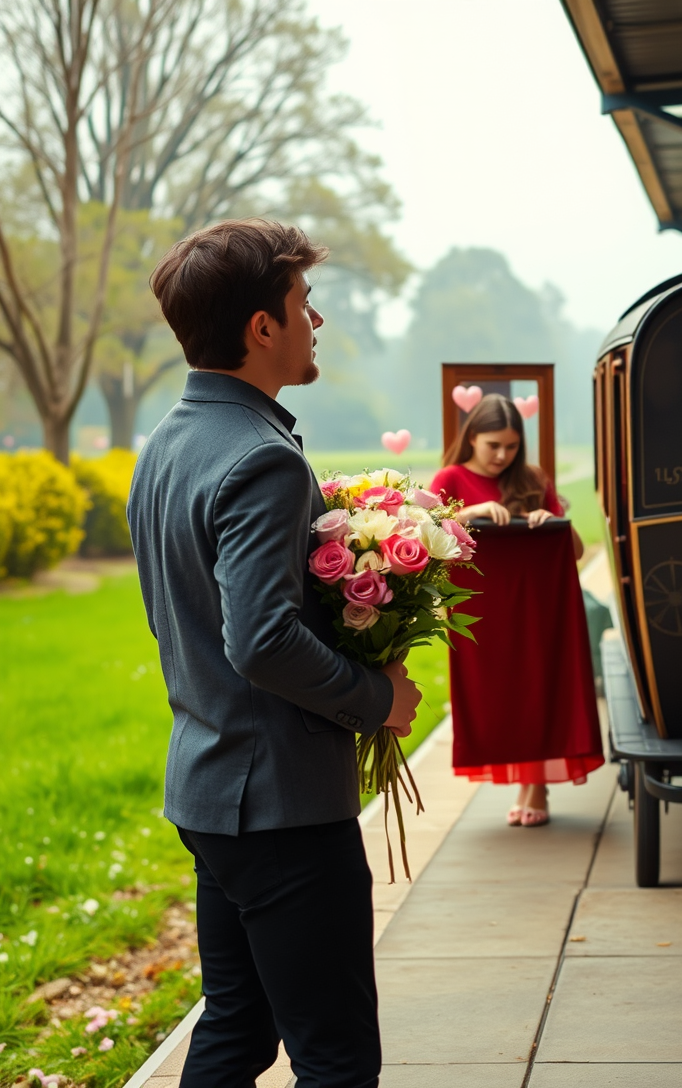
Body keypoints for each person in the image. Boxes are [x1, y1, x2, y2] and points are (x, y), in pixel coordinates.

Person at [127, 219, 421, 1088]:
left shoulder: (165, 446)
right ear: (262, 327)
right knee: (336, 1057)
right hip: (284, 809)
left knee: (235, 1030)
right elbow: (260, 640)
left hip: (210, 791)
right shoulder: (262, 458)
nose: (315, 321)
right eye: (304, 303)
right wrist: (376, 695)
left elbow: (172, 619)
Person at [430, 394, 604, 827]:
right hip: (480, 609)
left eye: (511, 446)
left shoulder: (531, 478)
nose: (503, 456)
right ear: (472, 438)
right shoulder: (449, 478)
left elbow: (577, 550)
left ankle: (536, 785)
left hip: (536, 604)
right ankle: (530, 781)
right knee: (497, 691)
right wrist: (467, 512)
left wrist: (551, 519)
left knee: (537, 684)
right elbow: (426, 540)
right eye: (494, 446)